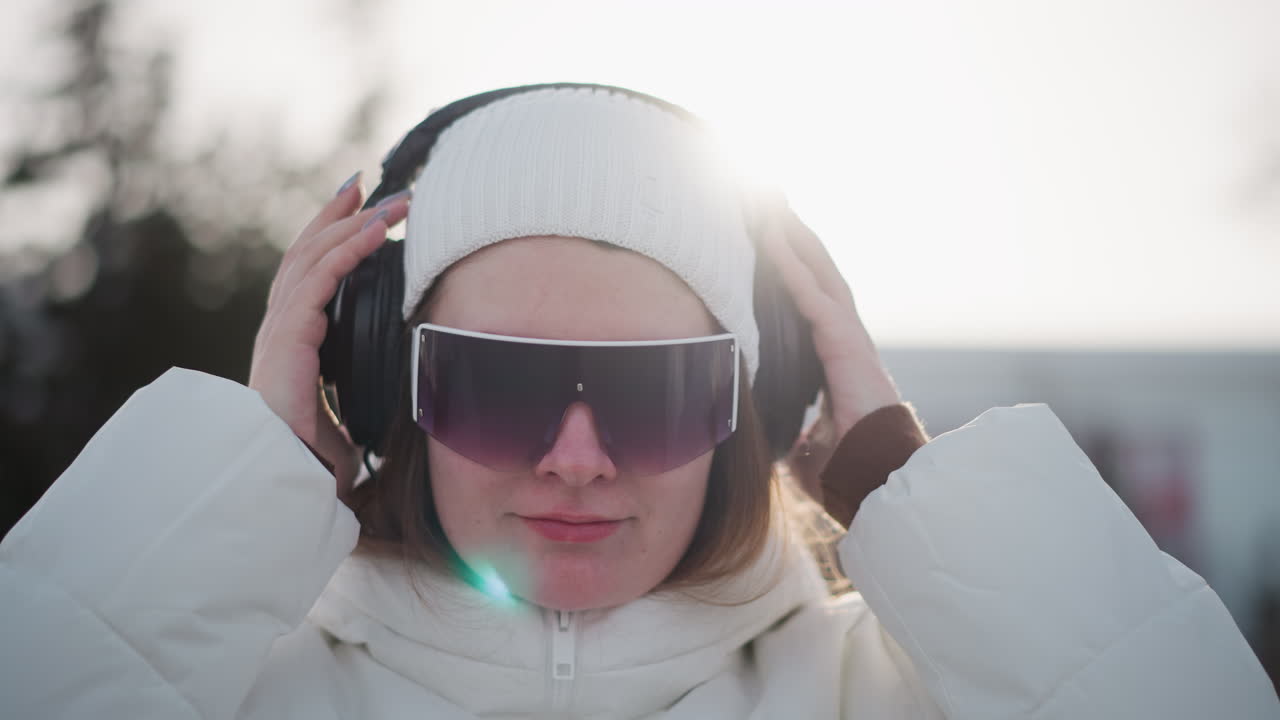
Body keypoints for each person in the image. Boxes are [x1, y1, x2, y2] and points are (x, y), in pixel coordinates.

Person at [1, 83, 1276, 719]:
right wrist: (235, 476)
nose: (574, 458)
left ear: (753, 397)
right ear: (393, 378)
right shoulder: (211, 681)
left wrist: (914, 492)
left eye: (653, 392)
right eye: (497, 381)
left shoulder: (894, 692)